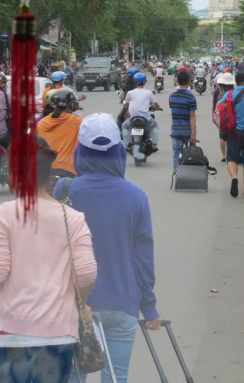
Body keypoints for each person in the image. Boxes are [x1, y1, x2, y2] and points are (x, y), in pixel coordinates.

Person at [56, 113, 161, 383]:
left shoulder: (64, 190)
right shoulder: (136, 196)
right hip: (122, 302)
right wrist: (149, 307)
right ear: (118, 152)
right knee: (117, 378)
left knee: (73, 377)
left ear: (80, 151)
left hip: (74, 305)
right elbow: (142, 258)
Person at [0, 136, 97, 383]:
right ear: (48, 172)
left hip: (14, 334)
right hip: (58, 337)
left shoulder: (3, 214)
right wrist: (81, 305)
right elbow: (86, 273)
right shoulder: (73, 218)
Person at [36, 89, 82, 178]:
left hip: (45, 171)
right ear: (70, 105)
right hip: (68, 171)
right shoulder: (77, 122)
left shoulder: (41, 123)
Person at [121, 72, 161, 150]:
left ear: (135, 81)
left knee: (124, 126)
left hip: (133, 118)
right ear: (145, 81)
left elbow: (126, 103)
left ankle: (127, 144)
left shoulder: (130, 93)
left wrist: (128, 106)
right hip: (145, 118)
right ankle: (154, 144)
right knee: (155, 126)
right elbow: (156, 104)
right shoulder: (148, 93)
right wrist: (158, 108)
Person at [169, 71, 197, 172]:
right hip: (188, 132)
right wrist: (193, 133)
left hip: (175, 131)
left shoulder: (172, 96)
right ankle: (190, 175)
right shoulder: (191, 97)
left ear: (177, 81)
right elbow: (192, 116)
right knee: (191, 154)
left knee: (177, 154)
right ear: (189, 82)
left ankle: (178, 176)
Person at [213, 72, 235, 163]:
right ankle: (230, 153)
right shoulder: (234, 90)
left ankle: (223, 155)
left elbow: (215, 103)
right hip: (232, 115)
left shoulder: (218, 90)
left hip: (221, 115)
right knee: (231, 135)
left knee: (222, 135)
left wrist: (214, 115)